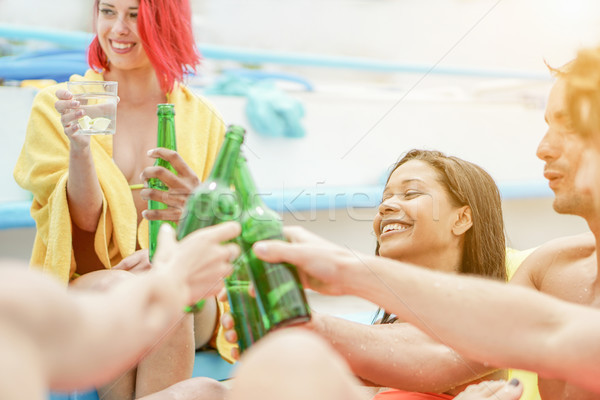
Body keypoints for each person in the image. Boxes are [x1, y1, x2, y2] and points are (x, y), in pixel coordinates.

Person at [234, 46, 600, 400]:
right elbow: (445, 356)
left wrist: (345, 270)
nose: (543, 147)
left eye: (569, 127)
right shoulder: (550, 267)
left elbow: (561, 335)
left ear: (463, 218)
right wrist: (304, 318)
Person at [13, 0, 234, 398]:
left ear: (166, 22)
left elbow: (228, 230)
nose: (118, 28)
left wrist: (188, 229)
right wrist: (79, 148)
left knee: (166, 289)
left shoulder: (204, 120)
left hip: (187, 294)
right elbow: (77, 226)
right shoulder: (58, 106)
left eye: (135, 15)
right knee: (143, 291)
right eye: (108, 11)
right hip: (94, 284)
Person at [222, 149, 508, 398]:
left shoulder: (486, 322)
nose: (385, 206)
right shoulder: (383, 335)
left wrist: (296, 323)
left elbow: (428, 351)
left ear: (461, 218)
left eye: (411, 193)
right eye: (384, 198)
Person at [0, 222, 240, 400]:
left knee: (205, 391)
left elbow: (107, 323)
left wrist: (167, 276)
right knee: (206, 393)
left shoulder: (15, 301)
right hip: (112, 285)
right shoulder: (15, 302)